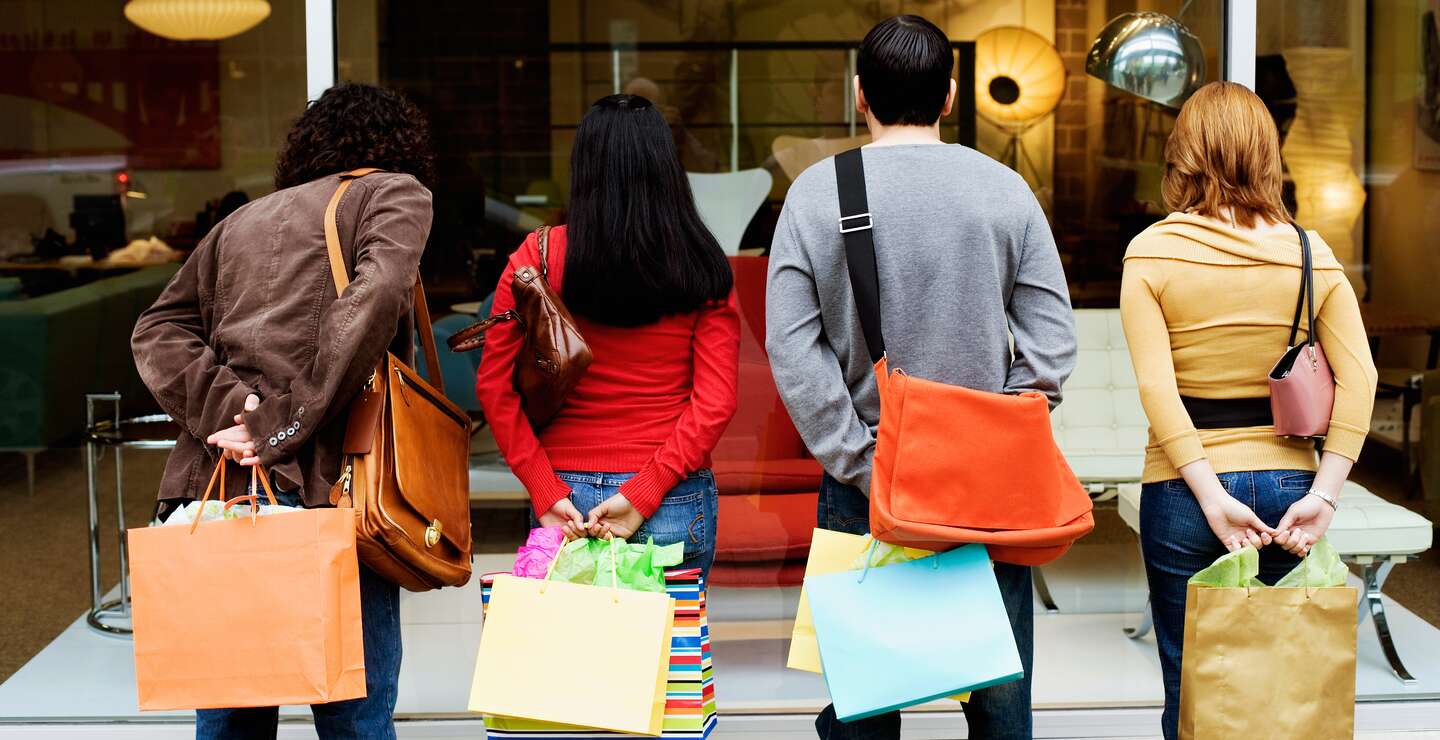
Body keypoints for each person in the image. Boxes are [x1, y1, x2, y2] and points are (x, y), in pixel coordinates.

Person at [766, 15, 1076, 740]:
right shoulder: (1006, 191)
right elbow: (1051, 345)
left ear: (860, 95)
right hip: (987, 488)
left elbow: (792, 346)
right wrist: (993, 441)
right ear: (950, 96)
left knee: (867, 708)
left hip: (865, 482)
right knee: (1000, 709)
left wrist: (858, 458)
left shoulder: (816, 194)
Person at [131, 82, 435, 740]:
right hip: (335, 483)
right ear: (399, 143)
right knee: (355, 713)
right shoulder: (394, 192)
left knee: (231, 709)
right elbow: (378, 294)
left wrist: (237, 409)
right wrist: (277, 421)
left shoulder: (240, 222)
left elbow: (156, 330)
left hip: (224, 486)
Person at [1119, 81, 1378, 740]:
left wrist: (1211, 496)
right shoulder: (1308, 252)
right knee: (1284, 685)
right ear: (1268, 154)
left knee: (1192, 685)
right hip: (1290, 488)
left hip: (1182, 490)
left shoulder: (1151, 251)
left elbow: (1157, 390)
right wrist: (1325, 494)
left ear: (1183, 152)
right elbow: (1362, 377)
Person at [475, 93, 739, 578]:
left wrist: (543, 488)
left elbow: (494, 387)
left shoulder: (537, 257)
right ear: (666, 166)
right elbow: (715, 401)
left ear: (584, 168)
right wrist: (646, 489)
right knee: (672, 631)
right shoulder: (702, 264)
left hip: (566, 497)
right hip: (671, 495)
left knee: (572, 632)